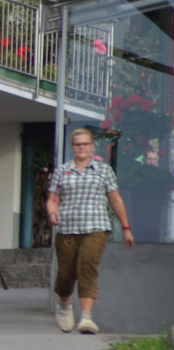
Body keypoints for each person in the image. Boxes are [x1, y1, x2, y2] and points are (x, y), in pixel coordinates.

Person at [46, 128, 134, 334]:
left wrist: (126, 227)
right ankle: (64, 305)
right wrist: (52, 212)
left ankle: (86, 318)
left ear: (92, 146)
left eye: (85, 144)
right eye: (78, 144)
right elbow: (52, 199)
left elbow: (115, 199)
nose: (82, 148)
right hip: (67, 227)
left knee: (87, 266)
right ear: (72, 147)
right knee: (66, 272)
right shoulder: (62, 171)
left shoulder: (104, 170)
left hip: (97, 226)